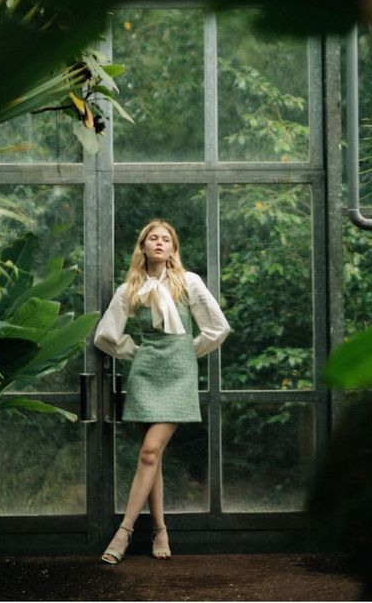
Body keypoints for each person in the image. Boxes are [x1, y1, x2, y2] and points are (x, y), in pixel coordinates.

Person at [93, 219, 231, 564]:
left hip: (179, 375)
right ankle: (159, 529)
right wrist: (134, 353)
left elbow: (217, 328)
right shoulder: (130, 288)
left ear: (173, 248)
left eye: (165, 239)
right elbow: (106, 335)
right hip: (145, 373)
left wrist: (188, 352)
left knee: (150, 452)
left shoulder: (189, 282)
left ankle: (123, 533)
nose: (158, 243)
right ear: (143, 247)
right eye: (152, 238)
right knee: (151, 458)